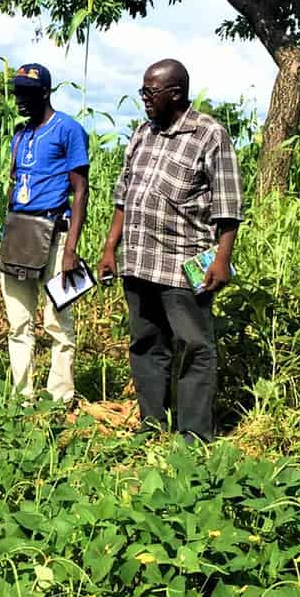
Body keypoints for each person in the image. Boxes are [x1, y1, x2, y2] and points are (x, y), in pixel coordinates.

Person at [98, 59, 244, 443]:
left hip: (185, 262)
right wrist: (111, 248)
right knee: (146, 343)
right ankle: (152, 426)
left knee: (194, 345)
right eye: (143, 91)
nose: (144, 99)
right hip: (139, 259)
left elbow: (228, 206)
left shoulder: (209, 134)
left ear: (175, 93)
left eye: (150, 92)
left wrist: (222, 260)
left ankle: (194, 435)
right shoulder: (143, 134)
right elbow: (122, 195)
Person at [0, 63, 91, 402]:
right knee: (18, 323)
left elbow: (80, 191)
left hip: (56, 234)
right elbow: (14, 190)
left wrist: (71, 249)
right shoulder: (20, 135)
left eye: (27, 93)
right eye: (17, 93)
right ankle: (22, 396)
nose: (20, 100)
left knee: (57, 322)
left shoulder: (68, 130)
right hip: (19, 234)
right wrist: (6, 240)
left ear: (45, 93)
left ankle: (60, 398)